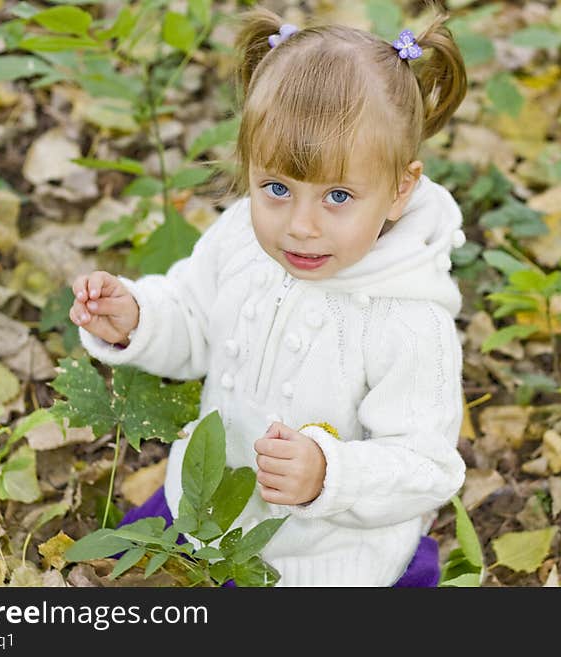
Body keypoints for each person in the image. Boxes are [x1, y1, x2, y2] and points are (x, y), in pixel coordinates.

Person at [69, 4, 469, 587]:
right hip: (205, 508)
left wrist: (327, 475)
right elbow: (194, 319)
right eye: (276, 188)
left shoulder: (409, 322)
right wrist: (137, 317)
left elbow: (426, 466)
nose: (300, 226)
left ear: (400, 188)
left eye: (337, 197)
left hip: (325, 557)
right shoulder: (239, 238)